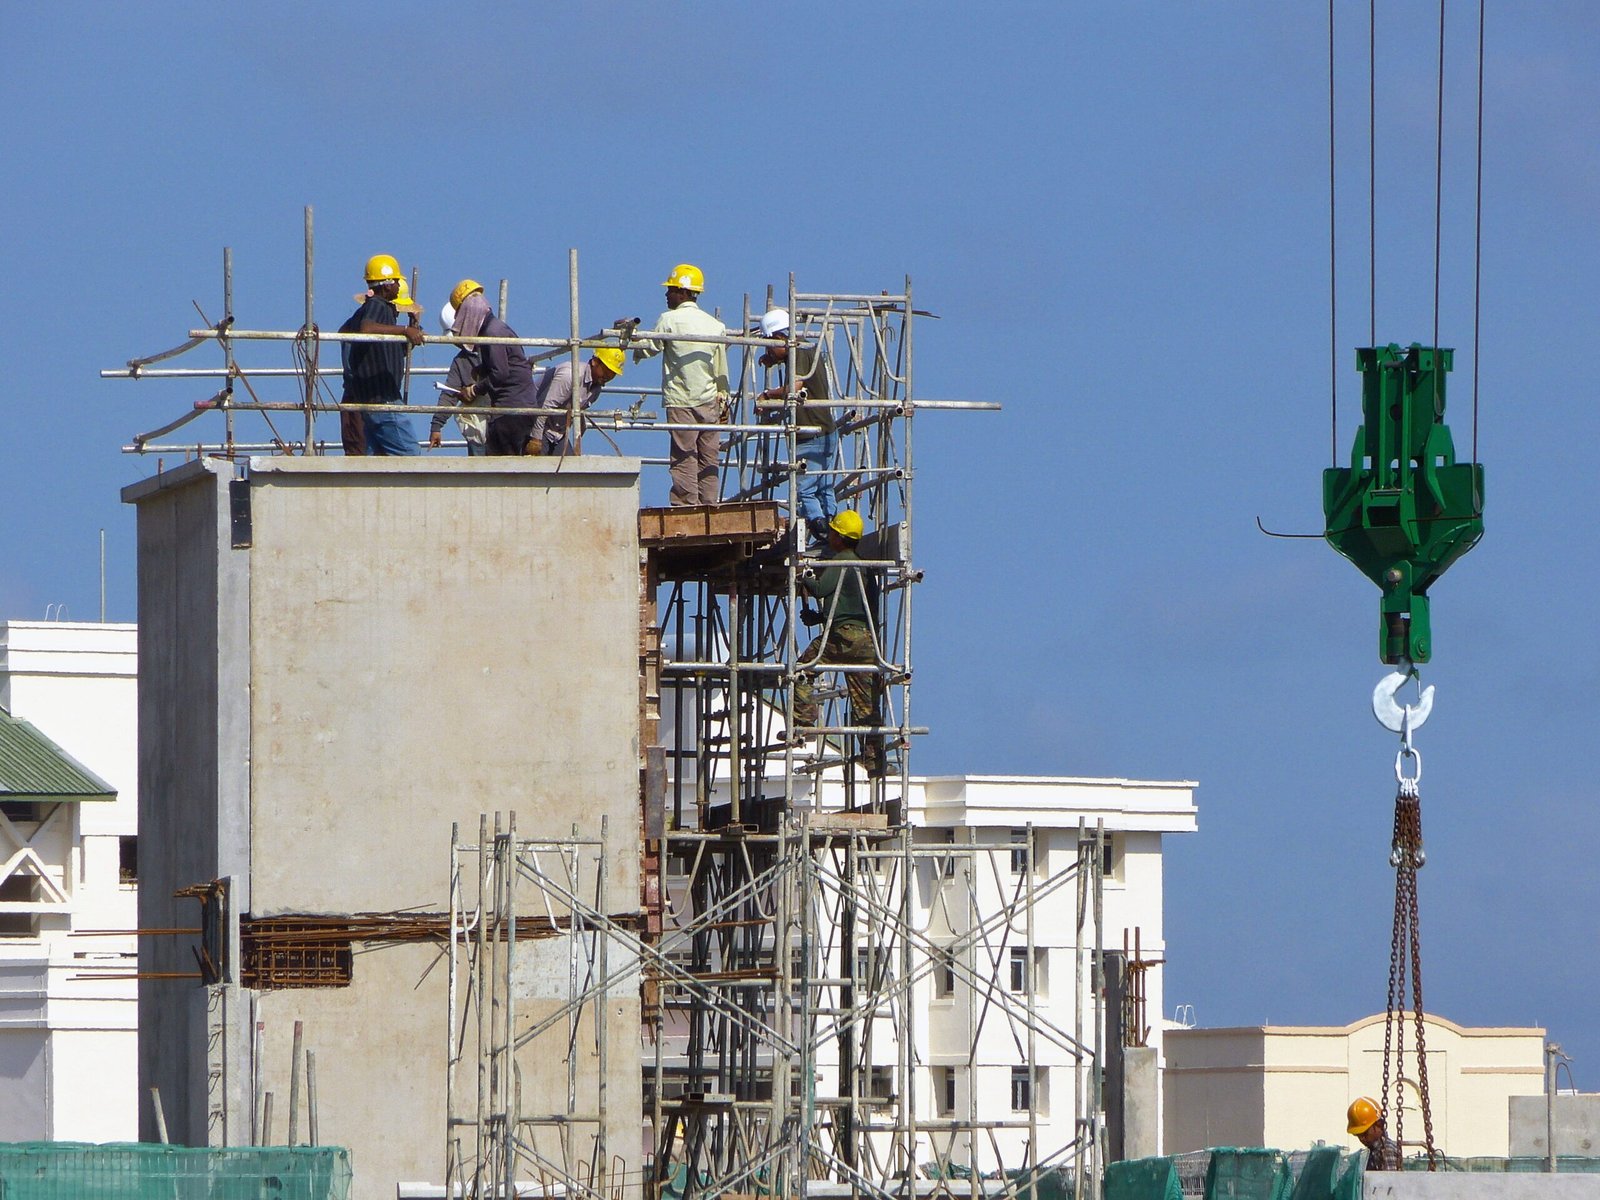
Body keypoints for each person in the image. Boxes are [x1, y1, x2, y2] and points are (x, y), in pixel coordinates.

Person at [791, 509, 886, 777]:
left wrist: (805, 573)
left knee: (803, 669)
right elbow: (854, 604)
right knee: (866, 706)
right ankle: (875, 761)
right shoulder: (864, 567)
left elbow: (820, 589)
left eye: (832, 531)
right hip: (867, 641)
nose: (829, 535)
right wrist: (820, 616)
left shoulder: (840, 561)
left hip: (842, 637)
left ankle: (804, 722)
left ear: (839, 538)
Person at [632, 263, 729, 504]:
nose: (667, 294)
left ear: (683, 292)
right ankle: (709, 508)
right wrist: (723, 397)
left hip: (681, 401)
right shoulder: (715, 326)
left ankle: (686, 509)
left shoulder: (669, 320)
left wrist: (629, 343)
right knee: (709, 457)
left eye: (671, 289)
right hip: (710, 401)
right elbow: (721, 366)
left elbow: (650, 347)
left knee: (684, 456)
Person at [757, 307, 837, 544]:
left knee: (806, 490)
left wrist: (767, 395)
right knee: (823, 486)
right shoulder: (802, 349)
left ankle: (821, 531)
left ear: (780, 338)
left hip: (811, 433)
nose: (766, 349)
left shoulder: (799, 350)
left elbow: (795, 388)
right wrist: (773, 358)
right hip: (824, 430)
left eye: (768, 343)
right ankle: (832, 528)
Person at [339, 254, 426, 456]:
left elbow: (395, 352)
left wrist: (412, 329)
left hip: (371, 399)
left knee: (376, 461)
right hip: (383, 399)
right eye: (395, 281)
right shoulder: (378, 305)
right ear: (386, 284)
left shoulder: (373, 312)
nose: (397, 285)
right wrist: (405, 330)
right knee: (410, 456)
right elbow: (367, 328)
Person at [448, 280, 539, 456]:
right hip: (518, 408)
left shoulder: (492, 333)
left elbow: (500, 373)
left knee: (501, 470)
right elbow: (505, 365)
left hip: (511, 411)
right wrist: (482, 370)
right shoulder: (497, 328)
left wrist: (474, 390)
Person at [528, 348, 626, 457]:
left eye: (613, 374)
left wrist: (579, 434)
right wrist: (535, 440)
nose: (608, 376)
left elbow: (579, 412)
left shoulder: (596, 389)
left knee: (571, 469)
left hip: (557, 434)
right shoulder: (570, 375)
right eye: (606, 370)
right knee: (538, 468)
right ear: (595, 362)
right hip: (535, 426)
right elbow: (544, 407)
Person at [428, 285, 489, 455]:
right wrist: (436, 426)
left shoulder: (496, 346)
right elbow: (449, 394)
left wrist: (474, 390)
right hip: (480, 430)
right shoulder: (461, 361)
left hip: (504, 423)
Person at [1347, 1097, 1401, 1171]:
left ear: (1379, 1125)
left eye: (1364, 1133)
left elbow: (1390, 1181)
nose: (1362, 1138)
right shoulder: (1372, 1152)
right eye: (1357, 1135)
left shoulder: (1387, 1151)